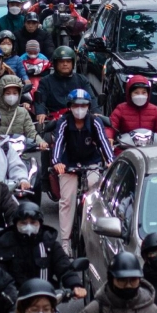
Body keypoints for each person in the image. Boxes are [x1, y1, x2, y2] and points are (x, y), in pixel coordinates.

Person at [50, 90, 115, 254]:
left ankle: (93, 234)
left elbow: (104, 142)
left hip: (92, 162)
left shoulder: (95, 121)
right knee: (66, 200)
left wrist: (110, 161)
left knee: (94, 195)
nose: (79, 109)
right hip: (68, 164)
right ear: (70, 107)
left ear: (88, 107)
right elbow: (58, 142)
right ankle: (65, 242)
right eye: (76, 105)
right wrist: (57, 162)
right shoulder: (63, 122)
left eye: (83, 105)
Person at [0, 204, 86, 300]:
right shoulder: (4, 244)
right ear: (16, 224)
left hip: (45, 298)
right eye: (23, 223)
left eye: (33, 222)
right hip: (13, 301)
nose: (28, 226)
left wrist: (75, 284)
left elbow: (64, 267)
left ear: (40, 224)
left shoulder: (49, 243)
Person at [72, 251, 157, 313]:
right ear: (111, 280)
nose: (128, 285)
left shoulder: (152, 312)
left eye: (133, 280)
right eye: (122, 280)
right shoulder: (95, 311)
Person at [33, 46, 90, 122]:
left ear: (73, 63)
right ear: (55, 63)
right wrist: (41, 112)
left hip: (78, 119)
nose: (65, 64)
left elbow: (91, 99)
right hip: (53, 121)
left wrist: (96, 112)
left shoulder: (82, 80)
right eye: (61, 61)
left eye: (68, 61)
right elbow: (40, 100)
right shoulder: (45, 81)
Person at [108, 75, 157, 142]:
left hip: (150, 146)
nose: (140, 96)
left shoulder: (154, 109)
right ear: (129, 94)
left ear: (148, 94)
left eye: (144, 92)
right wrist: (109, 137)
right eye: (136, 93)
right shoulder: (121, 109)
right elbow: (111, 127)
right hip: (126, 146)